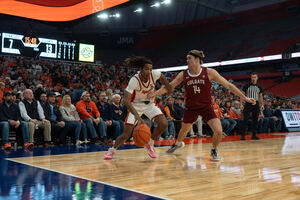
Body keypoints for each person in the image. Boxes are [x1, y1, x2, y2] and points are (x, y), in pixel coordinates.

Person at [150, 50, 255, 161]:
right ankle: (178, 143)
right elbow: (169, 86)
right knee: (184, 130)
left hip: (206, 106)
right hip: (191, 107)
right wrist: (155, 93)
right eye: (187, 58)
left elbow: (228, 85)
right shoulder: (183, 74)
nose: (187, 60)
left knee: (218, 131)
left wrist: (245, 98)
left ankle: (214, 150)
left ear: (197, 59)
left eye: (189, 58)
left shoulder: (209, 72)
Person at [104, 56, 172, 160]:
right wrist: (137, 116)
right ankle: (112, 149)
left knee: (164, 124)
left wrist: (157, 93)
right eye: (146, 69)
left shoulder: (155, 74)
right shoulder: (134, 80)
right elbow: (126, 100)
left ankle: (150, 143)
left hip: (149, 104)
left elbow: (168, 86)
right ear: (140, 69)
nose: (149, 71)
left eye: (150, 69)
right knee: (126, 134)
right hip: (134, 105)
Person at [240, 72, 264, 140]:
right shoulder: (246, 85)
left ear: (257, 78)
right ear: (251, 78)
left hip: (256, 104)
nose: (253, 78)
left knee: (255, 120)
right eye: (252, 77)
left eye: (254, 77)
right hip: (248, 103)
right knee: (245, 120)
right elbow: (242, 95)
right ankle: (243, 135)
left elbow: (260, 97)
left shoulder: (259, 87)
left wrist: (262, 104)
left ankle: (254, 135)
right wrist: (241, 103)